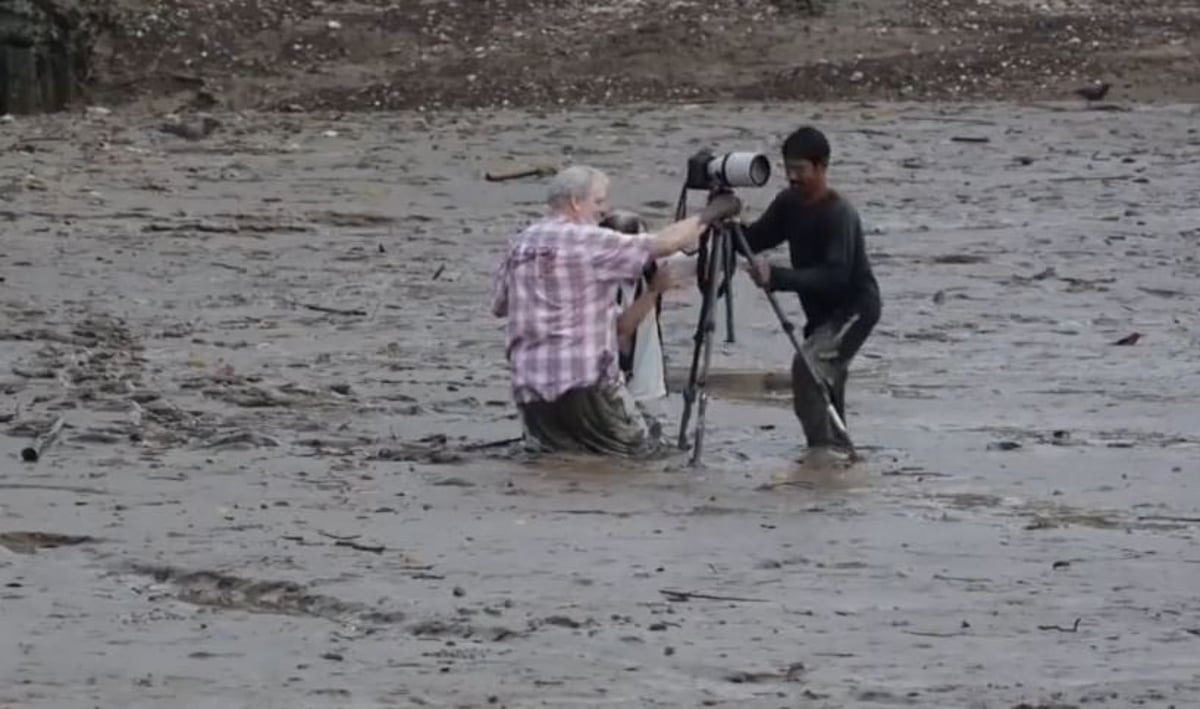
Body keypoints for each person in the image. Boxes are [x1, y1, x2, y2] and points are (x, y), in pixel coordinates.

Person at [491, 165, 741, 458]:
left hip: (530, 388)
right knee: (640, 455)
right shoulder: (588, 239)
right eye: (599, 201)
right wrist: (711, 214)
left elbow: (500, 306)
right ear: (575, 201)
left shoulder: (520, 242)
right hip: (586, 382)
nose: (603, 210)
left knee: (558, 462)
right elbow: (666, 243)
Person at [739, 126, 882, 456]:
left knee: (809, 368)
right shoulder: (789, 204)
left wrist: (777, 276)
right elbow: (756, 239)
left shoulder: (838, 213)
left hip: (853, 309)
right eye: (788, 169)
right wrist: (725, 221)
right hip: (819, 313)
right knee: (827, 381)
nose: (792, 177)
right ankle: (839, 452)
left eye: (800, 169)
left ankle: (823, 451)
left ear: (821, 167)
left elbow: (836, 276)